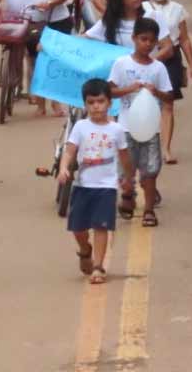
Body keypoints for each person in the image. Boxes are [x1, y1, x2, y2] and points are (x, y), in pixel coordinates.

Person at [57, 78, 134, 285]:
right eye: (91, 102)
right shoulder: (81, 127)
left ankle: (99, 266)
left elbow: (124, 156)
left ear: (109, 102)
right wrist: (64, 167)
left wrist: (128, 179)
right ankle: (84, 249)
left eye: (100, 101)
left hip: (106, 187)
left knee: (101, 226)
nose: (96, 106)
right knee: (77, 227)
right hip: (83, 185)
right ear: (85, 104)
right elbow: (70, 150)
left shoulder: (116, 130)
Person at [108, 18, 174, 227]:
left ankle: (148, 209)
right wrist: (129, 89)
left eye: (152, 41)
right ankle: (128, 195)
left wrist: (157, 92)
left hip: (150, 129)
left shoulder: (158, 68)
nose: (147, 44)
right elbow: (110, 90)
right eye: (143, 39)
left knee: (150, 170)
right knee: (126, 171)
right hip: (126, 127)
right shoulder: (122, 64)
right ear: (134, 38)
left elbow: (170, 97)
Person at [143, 0, 192, 165]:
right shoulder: (141, 8)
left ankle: (165, 148)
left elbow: (184, 39)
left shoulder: (177, 9)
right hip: (146, 57)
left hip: (170, 58)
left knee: (168, 104)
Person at [86, 0, 173, 57]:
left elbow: (167, 48)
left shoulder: (154, 16)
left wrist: (146, 64)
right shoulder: (109, 21)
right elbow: (82, 40)